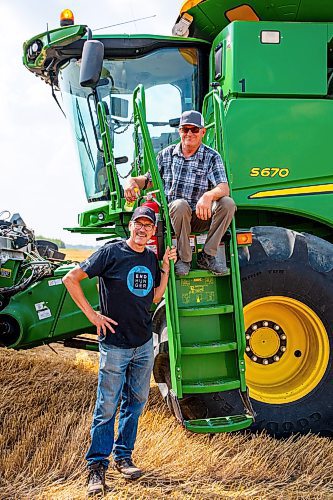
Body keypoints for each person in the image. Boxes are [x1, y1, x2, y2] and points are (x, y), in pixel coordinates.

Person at [62, 206, 177, 497]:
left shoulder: (150, 258)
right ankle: (97, 466)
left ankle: (124, 457)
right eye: (138, 224)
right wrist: (93, 316)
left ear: (152, 232)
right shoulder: (110, 253)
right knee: (106, 408)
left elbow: (154, 297)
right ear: (131, 226)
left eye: (147, 226)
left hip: (142, 345)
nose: (142, 229)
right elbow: (70, 279)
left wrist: (164, 270)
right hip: (114, 346)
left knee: (136, 403)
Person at [125, 110, 236, 276]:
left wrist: (208, 196)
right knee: (180, 204)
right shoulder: (165, 155)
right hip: (175, 216)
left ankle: (208, 256)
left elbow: (223, 187)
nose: (189, 133)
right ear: (180, 131)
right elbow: (148, 180)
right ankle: (184, 259)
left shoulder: (212, 157)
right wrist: (131, 181)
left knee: (228, 203)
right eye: (185, 129)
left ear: (203, 132)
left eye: (194, 129)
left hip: (201, 216)